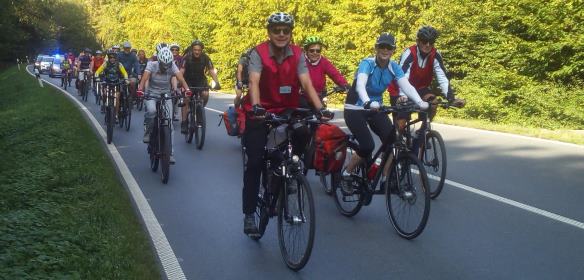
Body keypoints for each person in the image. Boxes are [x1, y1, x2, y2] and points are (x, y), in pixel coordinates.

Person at [240, 12, 332, 236]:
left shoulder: (299, 53)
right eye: (276, 30)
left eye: (286, 31)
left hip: (288, 108)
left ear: (291, 33)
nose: (281, 34)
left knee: (303, 132)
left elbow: (306, 82)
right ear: (269, 32)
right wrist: (257, 106)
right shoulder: (258, 53)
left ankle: (291, 169)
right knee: (254, 161)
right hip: (259, 111)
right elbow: (253, 81)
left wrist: (321, 109)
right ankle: (250, 214)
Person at [341, 32, 429, 194]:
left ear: (393, 50)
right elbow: (361, 85)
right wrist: (367, 101)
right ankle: (346, 174)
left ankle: (385, 179)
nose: (385, 50)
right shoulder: (367, 63)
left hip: (376, 108)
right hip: (356, 108)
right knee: (368, 145)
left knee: (394, 140)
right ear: (376, 48)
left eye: (389, 47)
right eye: (382, 46)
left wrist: (420, 102)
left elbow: (406, 86)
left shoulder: (393, 66)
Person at [388, 26, 465, 132]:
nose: (428, 45)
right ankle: (397, 141)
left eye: (431, 42)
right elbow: (402, 77)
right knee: (400, 124)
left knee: (433, 101)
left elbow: (442, 77)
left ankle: (424, 131)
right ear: (418, 41)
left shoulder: (435, 55)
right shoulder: (409, 53)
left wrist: (451, 99)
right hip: (400, 89)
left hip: (421, 88)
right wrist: (403, 97)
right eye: (424, 41)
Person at [136, 46, 191, 164]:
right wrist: (140, 89)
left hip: (165, 94)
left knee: (169, 123)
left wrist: (187, 89)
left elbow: (180, 77)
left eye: (168, 65)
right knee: (151, 111)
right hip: (152, 93)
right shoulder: (151, 64)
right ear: (159, 60)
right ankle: (148, 132)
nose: (166, 67)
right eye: (163, 65)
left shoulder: (172, 65)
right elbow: (145, 78)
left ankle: (170, 153)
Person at [179, 39, 221, 133]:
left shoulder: (205, 57)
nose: (197, 52)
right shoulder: (187, 57)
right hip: (188, 80)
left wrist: (216, 82)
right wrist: (180, 82)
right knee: (186, 98)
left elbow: (211, 70)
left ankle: (199, 108)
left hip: (200, 80)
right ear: (192, 49)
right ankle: (184, 122)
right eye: (195, 50)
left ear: (201, 50)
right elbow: (181, 71)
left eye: (199, 50)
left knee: (205, 94)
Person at [300, 35, 350, 107]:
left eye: (318, 51)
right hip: (302, 98)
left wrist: (345, 85)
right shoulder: (300, 61)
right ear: (306, 51)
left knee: (323, 116)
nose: (315, 53)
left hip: (319, 96)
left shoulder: (324, 62)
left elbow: (335, 74)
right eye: (312, 50)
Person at [94, 49, 129, 121]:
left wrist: (126, 79)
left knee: (117, 98)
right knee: (104, 94)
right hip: (107, 83)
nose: (112, 59)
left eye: (113, 58)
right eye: (110, 58)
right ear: (109, 58)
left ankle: (116, 115)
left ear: (116, 58)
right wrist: (97, 77)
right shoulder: (105, 64)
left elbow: (125, 73)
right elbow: (98, 71)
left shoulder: (119, 64)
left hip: (117, 83)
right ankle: (104, 105)